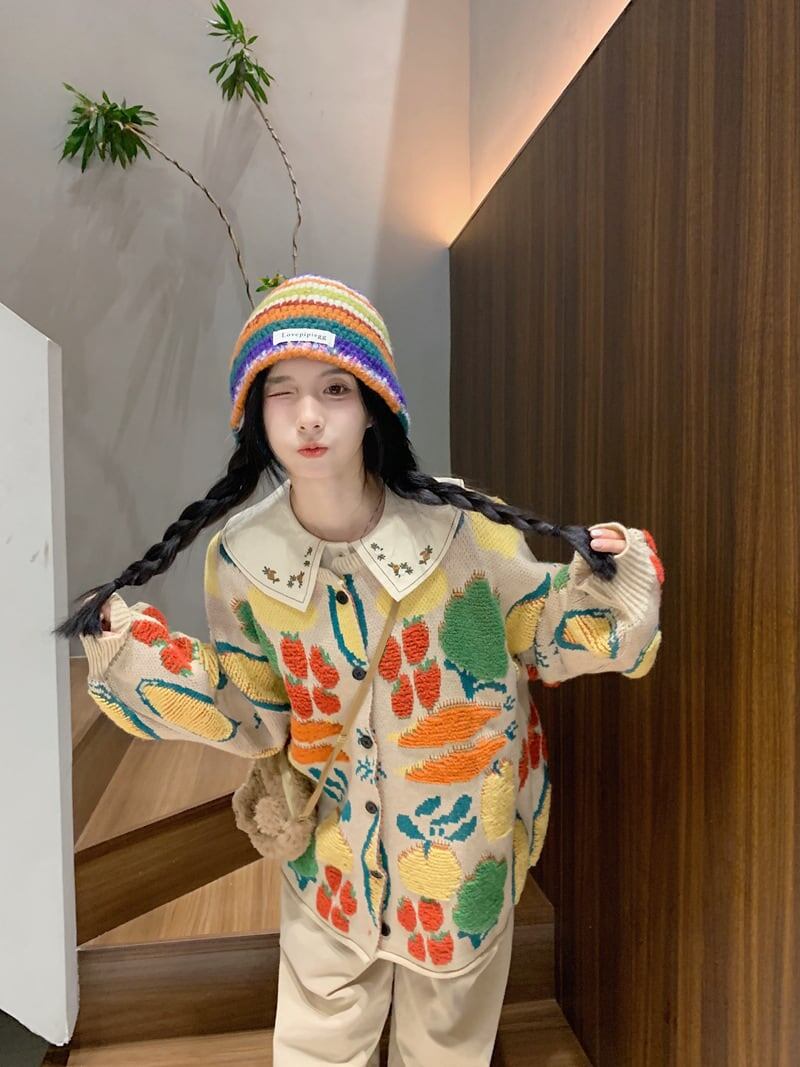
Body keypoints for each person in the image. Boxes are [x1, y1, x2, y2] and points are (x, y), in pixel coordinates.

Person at [55, 273, 664, 1065]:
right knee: (319, 1038)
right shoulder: (241, 557)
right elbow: (248, 709)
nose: (308, 416)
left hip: (460, 859)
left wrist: (615, 585)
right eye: (282, 391)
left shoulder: (459, 527)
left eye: (335, 388)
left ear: (374, 403)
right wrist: (130, 653)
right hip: (331, 859)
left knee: (446, 1042)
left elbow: (541, 631)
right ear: (255, 412)